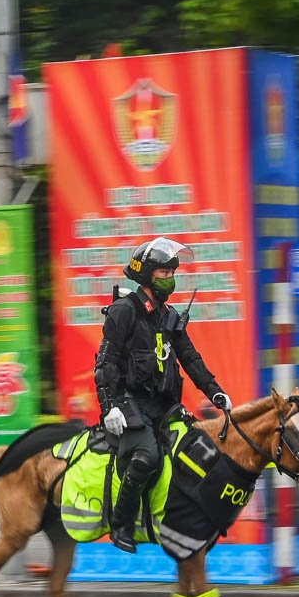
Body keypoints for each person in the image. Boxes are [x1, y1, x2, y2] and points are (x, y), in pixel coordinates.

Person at [95, 237, 231, 553]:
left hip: (166, 406)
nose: (170, 279)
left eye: (172, 272)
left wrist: (215, 392)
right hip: (131, 405)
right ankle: (121, 524)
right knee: (146, 459)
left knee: (201, 452)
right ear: (145, 275)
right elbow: (106, 363)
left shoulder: (169, 316)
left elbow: (190, 359)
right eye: (163, 273)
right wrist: (110, 406)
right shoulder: (124, 312)